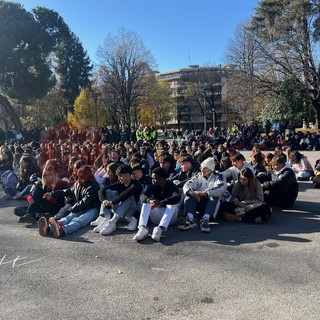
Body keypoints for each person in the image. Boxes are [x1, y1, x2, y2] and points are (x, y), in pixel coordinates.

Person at [38, 165, 100, 237]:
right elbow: (66, 191)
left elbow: (86, 200)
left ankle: (63, 230)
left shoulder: (94, 185)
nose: (79, 177)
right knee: (69, 217)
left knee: (79, 220)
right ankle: (50, 228)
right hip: (80, 207)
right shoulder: (78, 184)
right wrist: (52, 194)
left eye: (81, 175)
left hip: (92, 208)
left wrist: (73, 208)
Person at [178, 157, 227, 233]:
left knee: (214, 196)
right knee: (189, 195)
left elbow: (221, 188)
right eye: (201, 168)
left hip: (212, 206)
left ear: (211, 169)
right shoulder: (199, 175)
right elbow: (188, 185)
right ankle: (190, 219)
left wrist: (204, 193)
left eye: (205, 169)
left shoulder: (219, 176)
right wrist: (192, 193)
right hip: (200, 202)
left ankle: (205, 219)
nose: (202, 170)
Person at [92, 164, 143, 235]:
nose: (118, 178)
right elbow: (102, 189)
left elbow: (127, 192)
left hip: (130, 214)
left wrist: (113, 202)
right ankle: (106, 219)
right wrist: (104, 201)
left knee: (128, 196)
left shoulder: (136, 184)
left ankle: (113, 222)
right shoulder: (120, 183)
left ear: (128, 175)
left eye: (120, 176)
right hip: (120, 213)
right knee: (108, 191)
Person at [133, 167, 181, 242]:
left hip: (170, 218)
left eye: (154, 178)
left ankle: (160, 229)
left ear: (162, 179)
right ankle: (142, 228)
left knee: (173, 203)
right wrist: (150, 200)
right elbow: (142, 196)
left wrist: (162, 202)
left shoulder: (172, 186)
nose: (152, 180)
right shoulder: (152, 185)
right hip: (156, 217)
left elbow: (177, 197)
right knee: (146, 202)